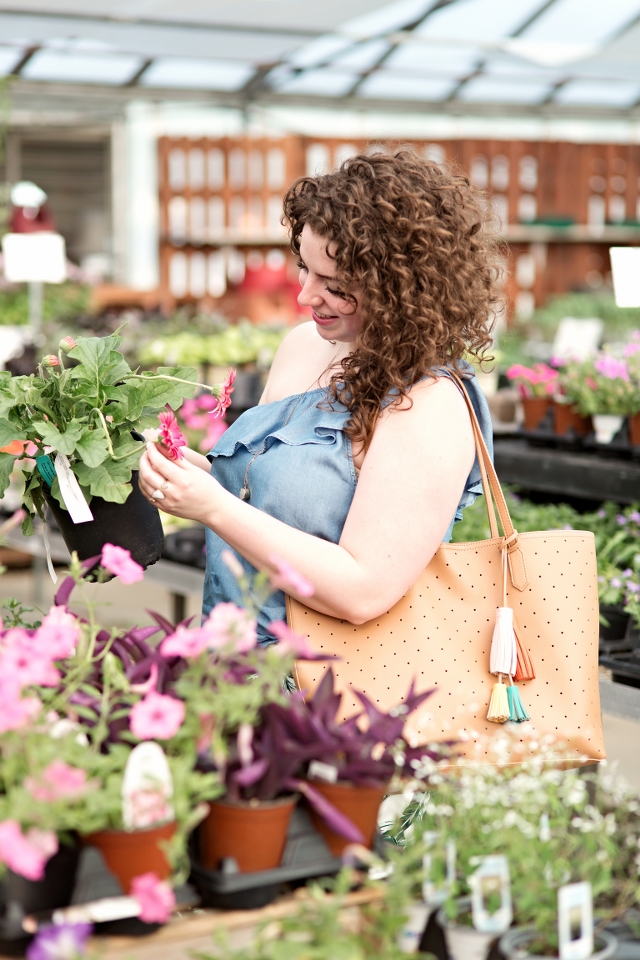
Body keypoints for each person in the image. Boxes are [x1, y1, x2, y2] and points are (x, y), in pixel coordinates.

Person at [138, 150, 499, 643]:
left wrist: (210, 507)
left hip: (324, 694)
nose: (306, 295)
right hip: (233, 663)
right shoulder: (304, 346)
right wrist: (186, 474)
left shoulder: (430, 402)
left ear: (399, 287)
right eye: (304, 269)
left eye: (334, 284)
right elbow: (265, 495)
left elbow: (363, 590)